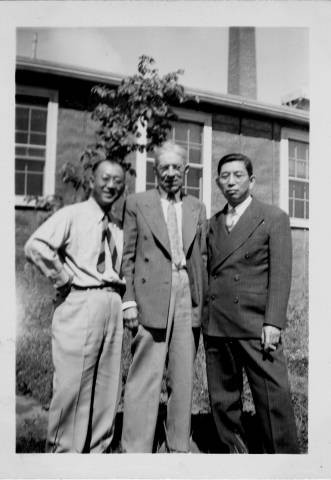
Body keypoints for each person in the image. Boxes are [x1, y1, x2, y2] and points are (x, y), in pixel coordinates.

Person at [24, 159, 126, 453]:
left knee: (107, 385)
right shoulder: (73, 215)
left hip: (112, 303)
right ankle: (64, 456)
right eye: (105, 179)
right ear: (92, 181)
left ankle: (97, 451)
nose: (111, 185)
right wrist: (62, 276)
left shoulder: (117, 224)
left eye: (118, 181)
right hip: (80, 299)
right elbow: (36, 245)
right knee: (72, 385)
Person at [204, 153, 299, 453]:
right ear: (218, 182)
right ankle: (235, 456)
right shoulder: (212, 223)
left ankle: (286, 461)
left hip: (256, 325)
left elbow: (281, 275)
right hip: (218, 324)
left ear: (252, 180)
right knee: (223, 401)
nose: (231, 182)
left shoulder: (273, 217)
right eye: (224, 176)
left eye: (238, 175)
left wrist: (273, 322)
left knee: (274, 400)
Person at [120, 141, 207, 453]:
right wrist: (128, 300)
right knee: (146, 372)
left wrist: (202, 302)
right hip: (149, 291)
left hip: (187, 291)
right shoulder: (137, 202)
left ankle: (178, 443)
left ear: (186, 171)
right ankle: (135, 447)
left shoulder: (197, 207)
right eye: (164, 167)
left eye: (176, 167)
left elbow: (202, 258)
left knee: (183, 374)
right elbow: (126, 257)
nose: (170, 173)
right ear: (155, 171)